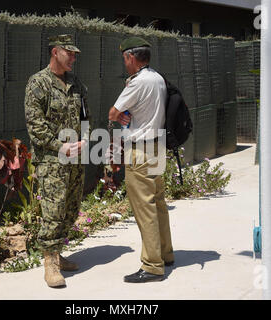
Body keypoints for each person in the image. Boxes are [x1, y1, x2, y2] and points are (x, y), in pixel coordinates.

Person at [24, 34, 91, 288]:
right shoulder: (38, 83)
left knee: (70, 207)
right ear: (55, 52)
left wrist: (84, 139)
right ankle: (49, 263)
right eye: (69, 53)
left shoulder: (77, 84)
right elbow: (35, 123)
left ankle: (58, 253)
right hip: (52, 159)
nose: (73, 58)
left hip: (75, 158)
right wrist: (59, 145)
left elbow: (86, 116)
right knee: (53, 209)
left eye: (75, 54)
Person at [108, 36, 174, 283]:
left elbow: (113, 112)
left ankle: (152, 265)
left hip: (140, 151)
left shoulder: (136, 83)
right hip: (158, 147)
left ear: (131, 57)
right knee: (158, 204)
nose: (124, 63)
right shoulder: (158, 78)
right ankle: (166, 254)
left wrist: (122, 114)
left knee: (144, 208)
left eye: (124, 58)